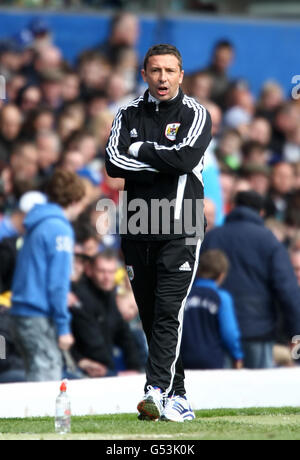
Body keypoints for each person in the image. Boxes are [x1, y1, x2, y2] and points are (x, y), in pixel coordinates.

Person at [105, 44, 212, 422]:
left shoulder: (196, 114)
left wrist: (140, 150)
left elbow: (185, 158)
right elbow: (113, 163)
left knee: (169, 310)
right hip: (136, 224)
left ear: (181, 75)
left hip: (180, 226)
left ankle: (154, 390)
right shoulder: (127, 112)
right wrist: (162, 158)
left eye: (170, 71)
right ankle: (178, 395)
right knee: (150, 315)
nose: (162, 78)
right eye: (155, 71)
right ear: (144, 74)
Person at [201, 190, 300, 369]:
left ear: (234, 207)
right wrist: (295, 334)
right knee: (260, 394)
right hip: (258, 332)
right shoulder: (269, 240)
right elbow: (287, 290)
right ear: (261, 212)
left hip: (215, 332)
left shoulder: (212, 237)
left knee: (220, 393)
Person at [10, 169, 85, 381]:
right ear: (74, 200)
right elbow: (57, 284)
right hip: (37, 315)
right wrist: (63, 327)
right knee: (47, 379)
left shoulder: (38, 223)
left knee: (35, 374)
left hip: (21, 312)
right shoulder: (59, 229)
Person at [70, 250, 142, 377]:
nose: (107, 277)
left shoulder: (109, 296)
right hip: (82, 370)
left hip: (105, 370)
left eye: (111, 272)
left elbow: (125, 336)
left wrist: (134, 368)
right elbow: (93, 344)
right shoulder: (81, 296)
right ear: (89, 271)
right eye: (102, 271)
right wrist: (114, 374)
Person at [181, 249, 243, 370]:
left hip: (183, 359)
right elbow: (229, 332)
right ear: (221, 275)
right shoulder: (222, 297)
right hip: (213, 359)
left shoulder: (184, 295)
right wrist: (237, 355)